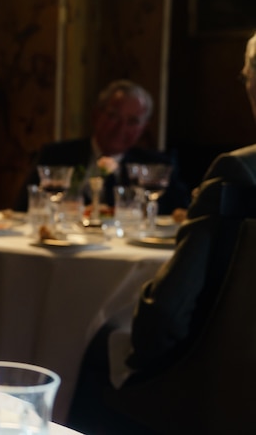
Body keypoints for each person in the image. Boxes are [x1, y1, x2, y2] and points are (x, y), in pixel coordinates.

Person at [68, 31, 256, 432]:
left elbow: (165, 317)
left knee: (88, 347)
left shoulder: (238, 172)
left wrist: (143, 353)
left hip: (218, 385)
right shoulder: (59, 154)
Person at [17, 79, 191, 215]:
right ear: (96, 115)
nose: (121, 128)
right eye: (114, 117)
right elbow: (23, 208)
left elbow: (181, 214)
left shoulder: (158, 166)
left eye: (132, 121)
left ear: (144, 128)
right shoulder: (56, 155)